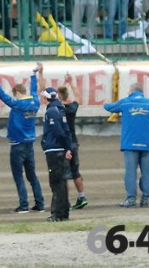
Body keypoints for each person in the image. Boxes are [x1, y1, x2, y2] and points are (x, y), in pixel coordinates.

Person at [0, 64, 45, 213]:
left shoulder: (17, 103)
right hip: (30, 143)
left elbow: (2, 95)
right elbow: (34, 90)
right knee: (32, 175)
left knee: (18, 176)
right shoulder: (35, 101)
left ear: (17, 93)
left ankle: (24, 204)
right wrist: (33, 75)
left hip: (17, 143)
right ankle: (40, 203)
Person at [104, 83, 149, 208]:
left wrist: (106, 102)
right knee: (146, 172)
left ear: (130, 91)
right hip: (146, 143)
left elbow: (109, 107)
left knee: (131, 172)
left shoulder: (125, 102)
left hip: (130, 143)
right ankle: (145, 199)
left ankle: (131, 199)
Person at [39, 86, 72, 222]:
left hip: (54, 150)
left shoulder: (52, 111)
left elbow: (58, 131)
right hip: (60, 149)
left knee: (56, 182)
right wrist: (68, 148)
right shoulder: (60, 109)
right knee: (62, 182)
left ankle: (57, 214)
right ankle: (63, 212)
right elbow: (66, 131)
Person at [58, 74, 88, 210]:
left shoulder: (57, 109)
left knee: (64, 174)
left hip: (63, 144)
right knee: (75, 171)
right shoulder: (72, 108)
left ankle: (66, 202)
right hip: (74, 142)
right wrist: (72, 83)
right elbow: (79, 98)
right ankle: (82, 196)